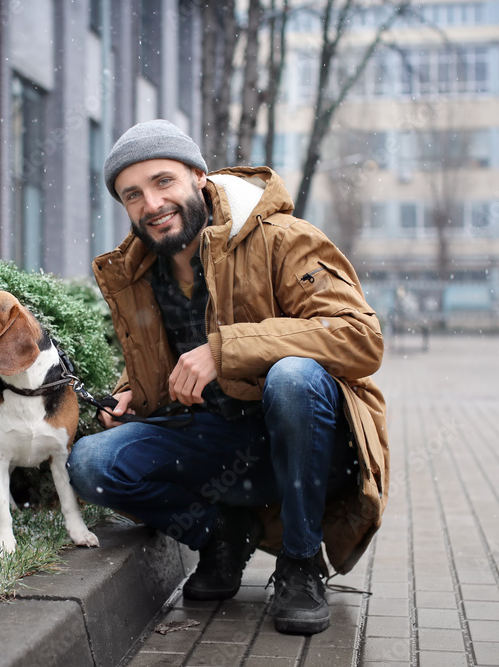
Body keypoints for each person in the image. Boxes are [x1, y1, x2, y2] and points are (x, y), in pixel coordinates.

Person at [67, 119, 389, 635]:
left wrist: (224, 351)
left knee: (294, 377)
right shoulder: (138, 270)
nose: (151, 204)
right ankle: (220, 535)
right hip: (217, 443)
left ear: (198, 175)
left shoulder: (283, 238)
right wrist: (129, 393)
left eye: (163, 181)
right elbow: (158, 355)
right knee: (90, 463)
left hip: (308, 443)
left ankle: (301, 564)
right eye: (133, 195)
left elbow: (358, 335)